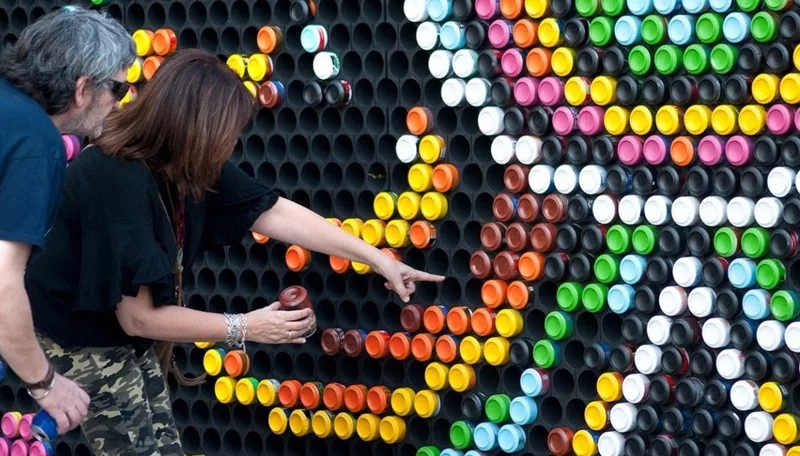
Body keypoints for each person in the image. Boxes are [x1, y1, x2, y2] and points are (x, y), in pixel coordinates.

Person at [24, 48, 445, 455]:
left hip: (122, 329)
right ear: (198, 129)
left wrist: (377, 258)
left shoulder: (179, 157)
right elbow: (139, 317)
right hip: (76, 333)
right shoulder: (115, 180)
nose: (231, 146)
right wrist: (246, 326)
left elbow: (273, 211)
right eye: (227, 135)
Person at [0, 6, 135, 435]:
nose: (120, 102)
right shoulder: (37, 142)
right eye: (118, 88)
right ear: (82, 88)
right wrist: (45, 384)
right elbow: (1, 282)